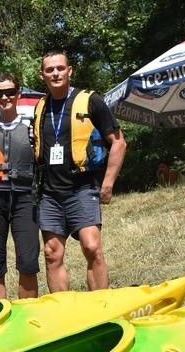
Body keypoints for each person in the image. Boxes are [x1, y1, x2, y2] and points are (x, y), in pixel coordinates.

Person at [34, 50, 127, 292]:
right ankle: (63, 312)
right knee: (52, 254)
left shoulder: (90, 101)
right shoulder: (40, 107)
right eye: (49, 70)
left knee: (91, 247)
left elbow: (119, 143)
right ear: (42, 75)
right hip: (50, 193)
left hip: (83, 188)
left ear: (69, 70)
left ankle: (101, 307)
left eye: (60, 68)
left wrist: (107, 184)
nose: (55, 73)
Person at [0, 73, 39, 300]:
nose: (5, 97)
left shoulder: (31, 128)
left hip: (24, 198)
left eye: (10, 92)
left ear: (18, 94)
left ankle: (30, 315)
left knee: (29, 262)